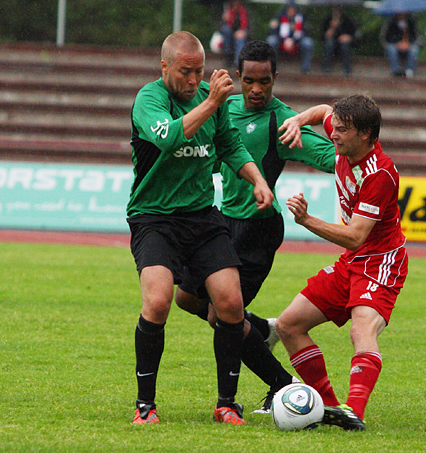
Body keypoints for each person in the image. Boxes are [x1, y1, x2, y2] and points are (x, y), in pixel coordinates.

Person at [175, 40, 336, 414]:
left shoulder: (282, 122)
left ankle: (283, 385)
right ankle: (261, 330)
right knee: (186, 298)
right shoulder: (224, 106)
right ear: (238, 77)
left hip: (258, 229)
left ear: (275, 78)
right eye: (249, 80)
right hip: (221, 221)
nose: (257, 89)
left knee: (221, 316)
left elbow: (332, 157)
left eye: (265, 81)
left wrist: (321, 123)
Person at [127, 31, 274, 426]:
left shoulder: (214, 101)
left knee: (230, 304)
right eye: (185, 72)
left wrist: (257, 180)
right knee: (158, 302)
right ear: (164, 67)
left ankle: (227, 403)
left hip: (201, 217)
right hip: (154, 217)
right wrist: (211, 101)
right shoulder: (150, 100)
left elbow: (230, 146)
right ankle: (146, 406)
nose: (194, 81)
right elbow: (172, 137)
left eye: (200, 72)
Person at [275, 94, 409, 431]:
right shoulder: (343, 135)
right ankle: (332, 409)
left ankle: (356, 411)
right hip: (353, 261)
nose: (333, 134)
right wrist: (297, 121)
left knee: (361, 327)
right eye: (334, 127)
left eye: (342, 130)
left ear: (364, 134)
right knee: (289, 325)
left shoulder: (380, 174)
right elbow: (323, 111)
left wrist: (307, 221)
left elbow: (355, 236)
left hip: (381, 261)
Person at [267, 0, 313, 73]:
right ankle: (273, 66)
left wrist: (293, 40)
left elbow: (306, 32)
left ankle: (305, 68)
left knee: (307, 43)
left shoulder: (301, 17)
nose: (291, 12)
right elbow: (272, 30)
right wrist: (284, 39)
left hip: (297, 40)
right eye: (289, 9)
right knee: (271, 40)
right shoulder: (279, 16)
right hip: (281, 40)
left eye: (293, 10)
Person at [321, 5, 358, 75]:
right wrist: (332, 27)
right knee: (329, 45)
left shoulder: (348, 20)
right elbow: (324, 36)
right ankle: (326, 67)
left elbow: (354, 35)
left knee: (345, 45)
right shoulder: (327, 19)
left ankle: (346, 68)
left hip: (344, 43)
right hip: (332, 42)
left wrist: (348, 37)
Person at [381, 13, 420, 77]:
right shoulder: (391, 22)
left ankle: (410, 70)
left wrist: (408, 43)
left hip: (408, 44)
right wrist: (397, 43)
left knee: (414, 50)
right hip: (395, 44)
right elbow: (387, 37)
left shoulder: (411, 21)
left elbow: (415, 37)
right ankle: (395, 70)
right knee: (391, 49)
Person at [220, 0, 249, 67]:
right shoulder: (228, 11)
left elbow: (248, 26)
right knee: (227, 31)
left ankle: (238, 62)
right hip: (230, 35)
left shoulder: (244, 12)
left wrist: (243, 31)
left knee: (240, 40)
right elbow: (222, 28)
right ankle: (228, 56)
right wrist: (225, 20)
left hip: (241, 34)